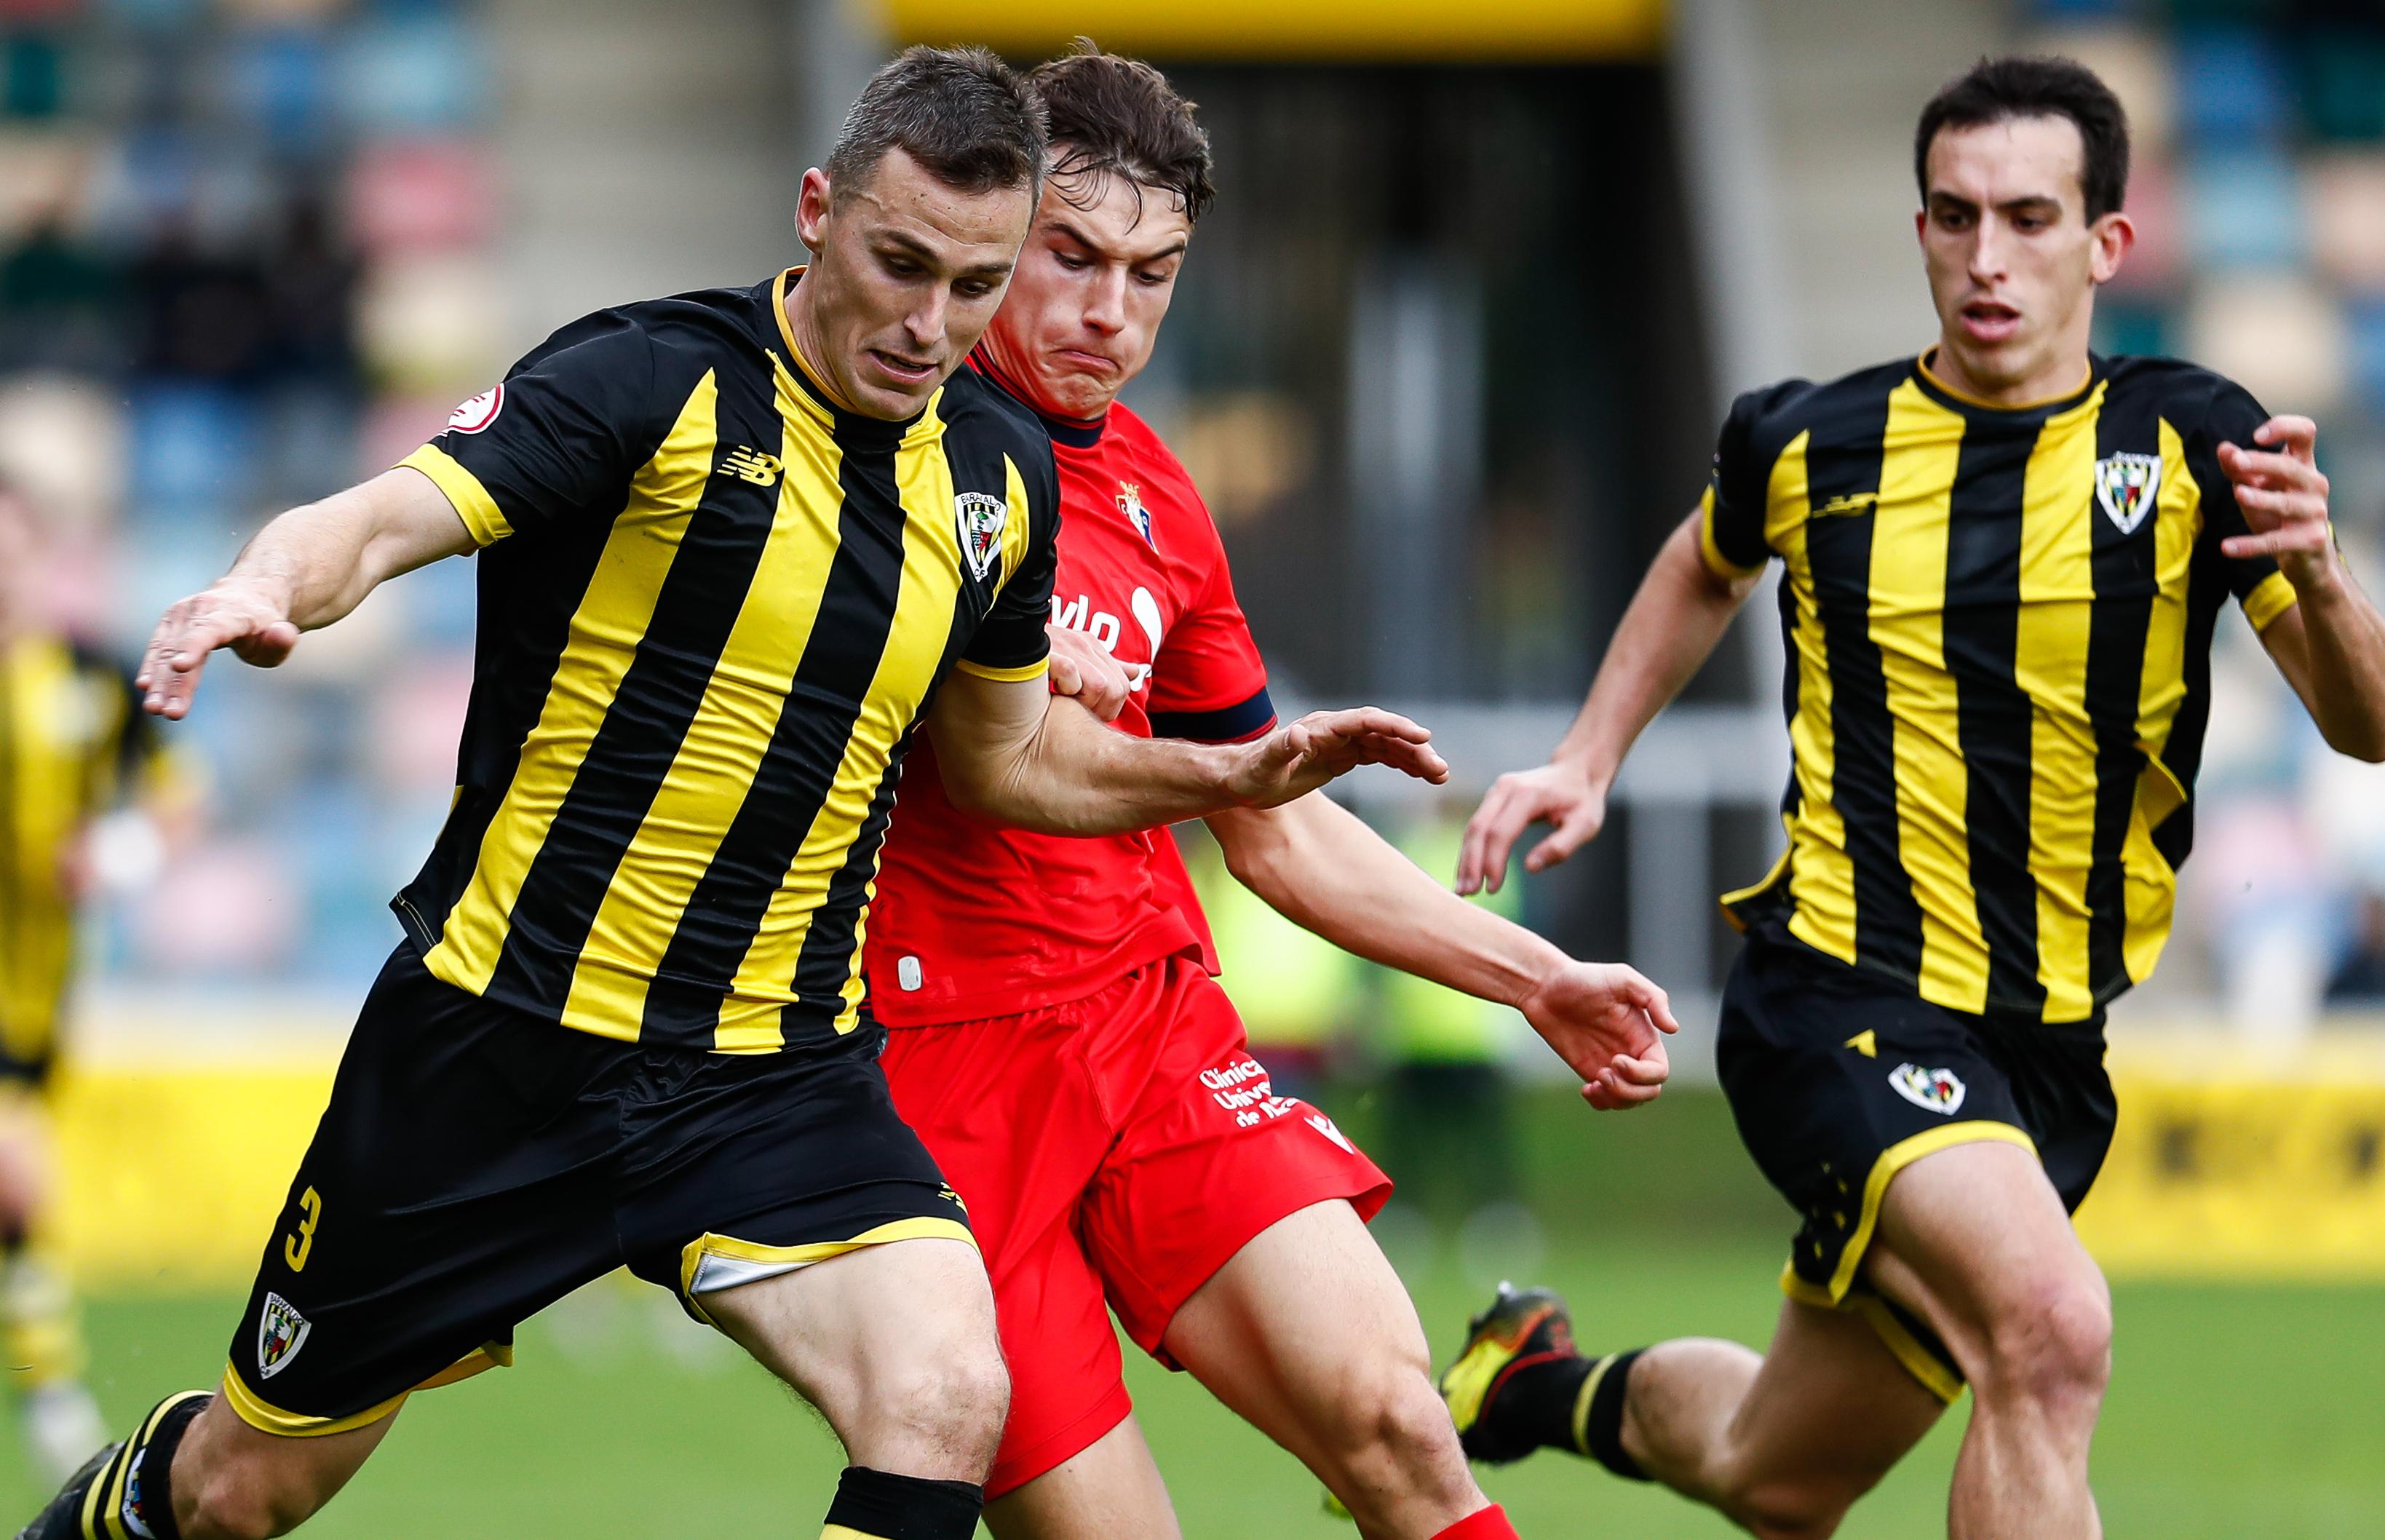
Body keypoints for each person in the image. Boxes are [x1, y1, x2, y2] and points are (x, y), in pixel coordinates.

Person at [19, 47, 1448, 1540]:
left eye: (973, 285)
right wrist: (264, 582)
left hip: (768, 1068)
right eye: (899, 264)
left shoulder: (995, 475)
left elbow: (1004, 759)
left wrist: (1226, 772)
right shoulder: (649, 378)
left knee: (944, 1390)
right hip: (497, 1044)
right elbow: (384, 519)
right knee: (246, 1488)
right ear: (817, 210)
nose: (928, 323)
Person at [1441, 55, 2385, 1540]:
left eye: (2027, 217)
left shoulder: (2192, 446)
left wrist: (2323, 580)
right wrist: (1588, 751)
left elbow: (2368, 727)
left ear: (2105, 246)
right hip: (1837, 995)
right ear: (1916, 229)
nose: (1985, 256)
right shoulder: (1808, 441)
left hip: (2042, 1056)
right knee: (2048, 1325)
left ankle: (1530, 1382)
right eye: (1952, 216)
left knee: (1780, 1468)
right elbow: (1704, 556)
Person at [864, 47, 1675, 1540]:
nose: (1110, 313)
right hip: (935, 1084)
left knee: (1395, 1420)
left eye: (1153, 273)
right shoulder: (881, 437)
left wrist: (1536, 977)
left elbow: (1279, 833)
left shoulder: (1162, 499)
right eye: (1073, 257)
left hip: (1143, 1025)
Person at [0, 483, 186, 1483]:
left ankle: (49, 1384)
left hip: (38, 990)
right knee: (11, 1172)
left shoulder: (89, 676)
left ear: (39, 560)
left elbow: (172, 806)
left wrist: (109, 856)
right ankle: (54, 1387)